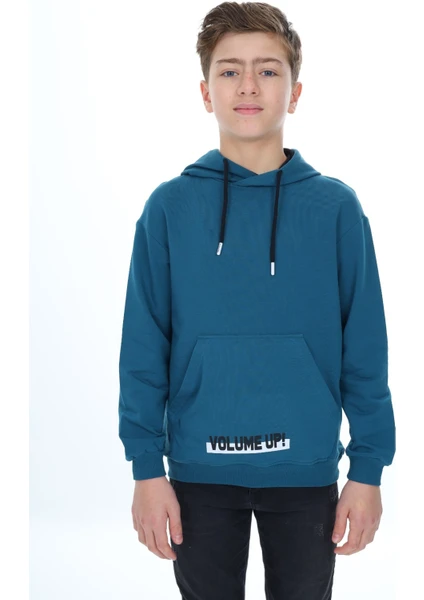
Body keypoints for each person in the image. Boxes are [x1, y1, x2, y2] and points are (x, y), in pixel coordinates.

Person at [118, 2, 396, 598]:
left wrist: (368, 470)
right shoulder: (169, 209)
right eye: (230, 70)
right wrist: (145, 468)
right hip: (198, 470)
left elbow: (366, 350)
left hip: (305, 471)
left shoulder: (335, 210)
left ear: (295, 93)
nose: (248, 85)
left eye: (268, 70)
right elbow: (143, 347)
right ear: (205, 92)